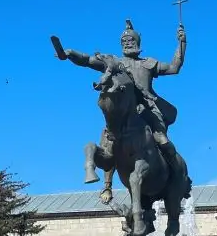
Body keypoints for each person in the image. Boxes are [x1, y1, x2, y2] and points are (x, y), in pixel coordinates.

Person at [63, 20, 187, 184]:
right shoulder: (114, 63)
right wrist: (71, 53)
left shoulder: (148, 64)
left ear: (138, 42)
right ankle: (106, 183)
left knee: (162, 140)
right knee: (108, 137)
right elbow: (88, 60)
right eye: (124, 42)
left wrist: (182, 42)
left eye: (131, 41)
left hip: (147, 109)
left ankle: (178, 175)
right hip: (122, 112)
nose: (128, 44)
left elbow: (174, 67)